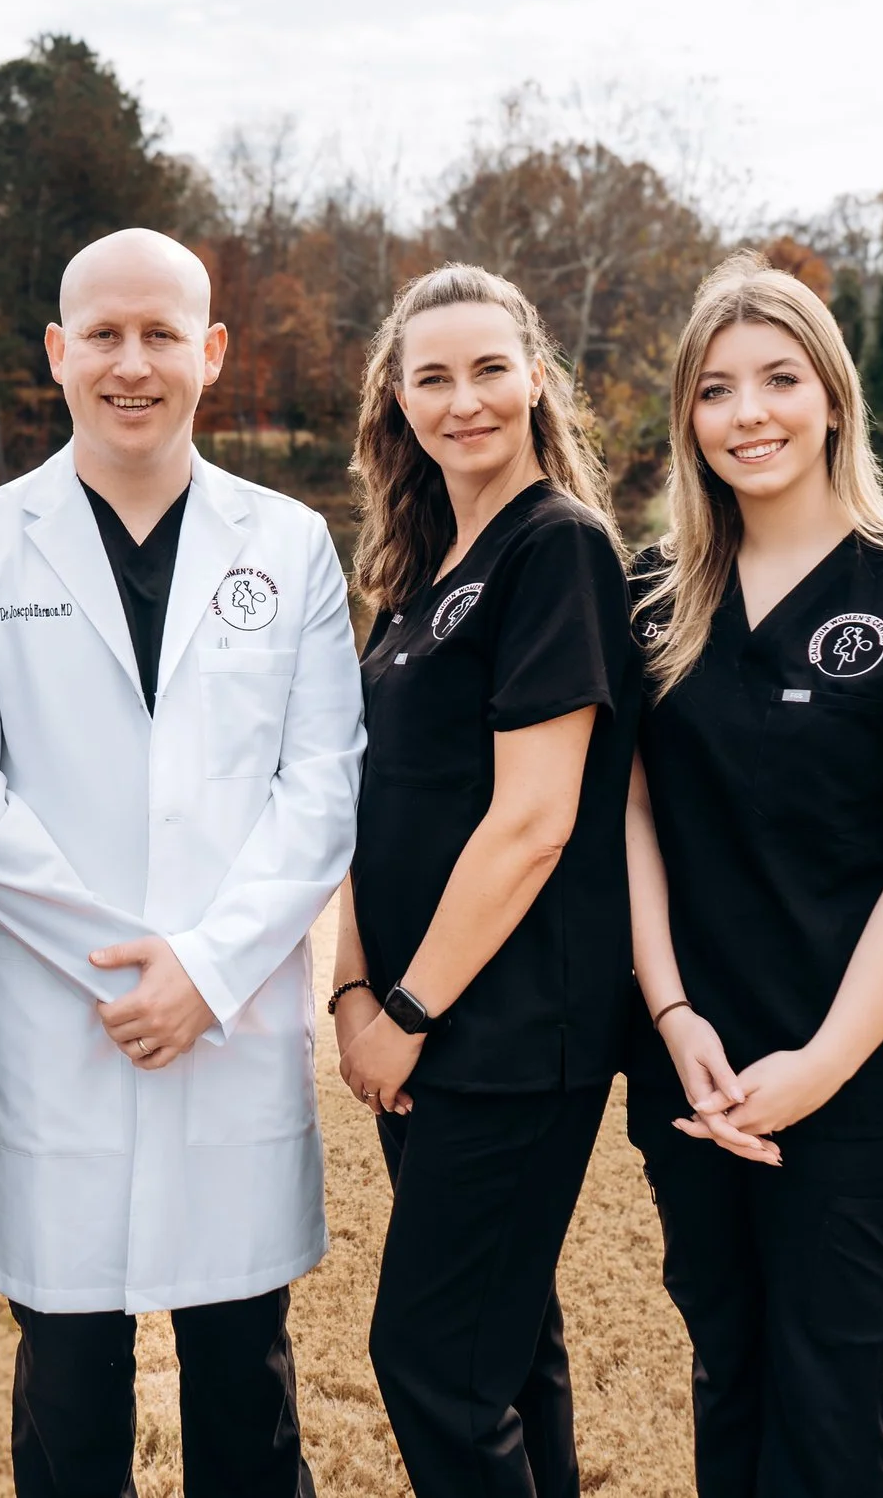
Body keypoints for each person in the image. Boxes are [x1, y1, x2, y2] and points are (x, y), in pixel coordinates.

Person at [0, 227, 363, 1498]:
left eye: (162, 333)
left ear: (211, 354)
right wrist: (125, 968)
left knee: (244, 1379)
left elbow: (322, 786)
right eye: (102, 334)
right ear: (55, 355)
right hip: (65, 1020)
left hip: (234, 1016)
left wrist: (205, 972)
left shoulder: (287, 541)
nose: (131, 362)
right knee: (66, 1390)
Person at [625, 252, 883, 1497]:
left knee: (826, 1381)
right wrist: (674, 1012)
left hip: (853, 1073)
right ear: (688, 416)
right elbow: (626, 811)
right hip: (693, 1061)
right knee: (725, 1357)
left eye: (779, 378)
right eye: (717, 387)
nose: (751, 413)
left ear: (832, 397)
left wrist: (824, 1064)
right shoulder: (652, 599)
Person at [327, 264, 638, 1495]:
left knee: (429, 1361)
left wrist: (405, 1013)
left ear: (538, 383)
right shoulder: (420, 572)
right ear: (396, 401)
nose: (464, 399)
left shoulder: (553, 547)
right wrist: (353, 989)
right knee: (506, 1354)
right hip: (423, 1024)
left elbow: (533, 821)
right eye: (432, 376)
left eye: (488, 369)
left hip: (510, 1032)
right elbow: (376, 806)